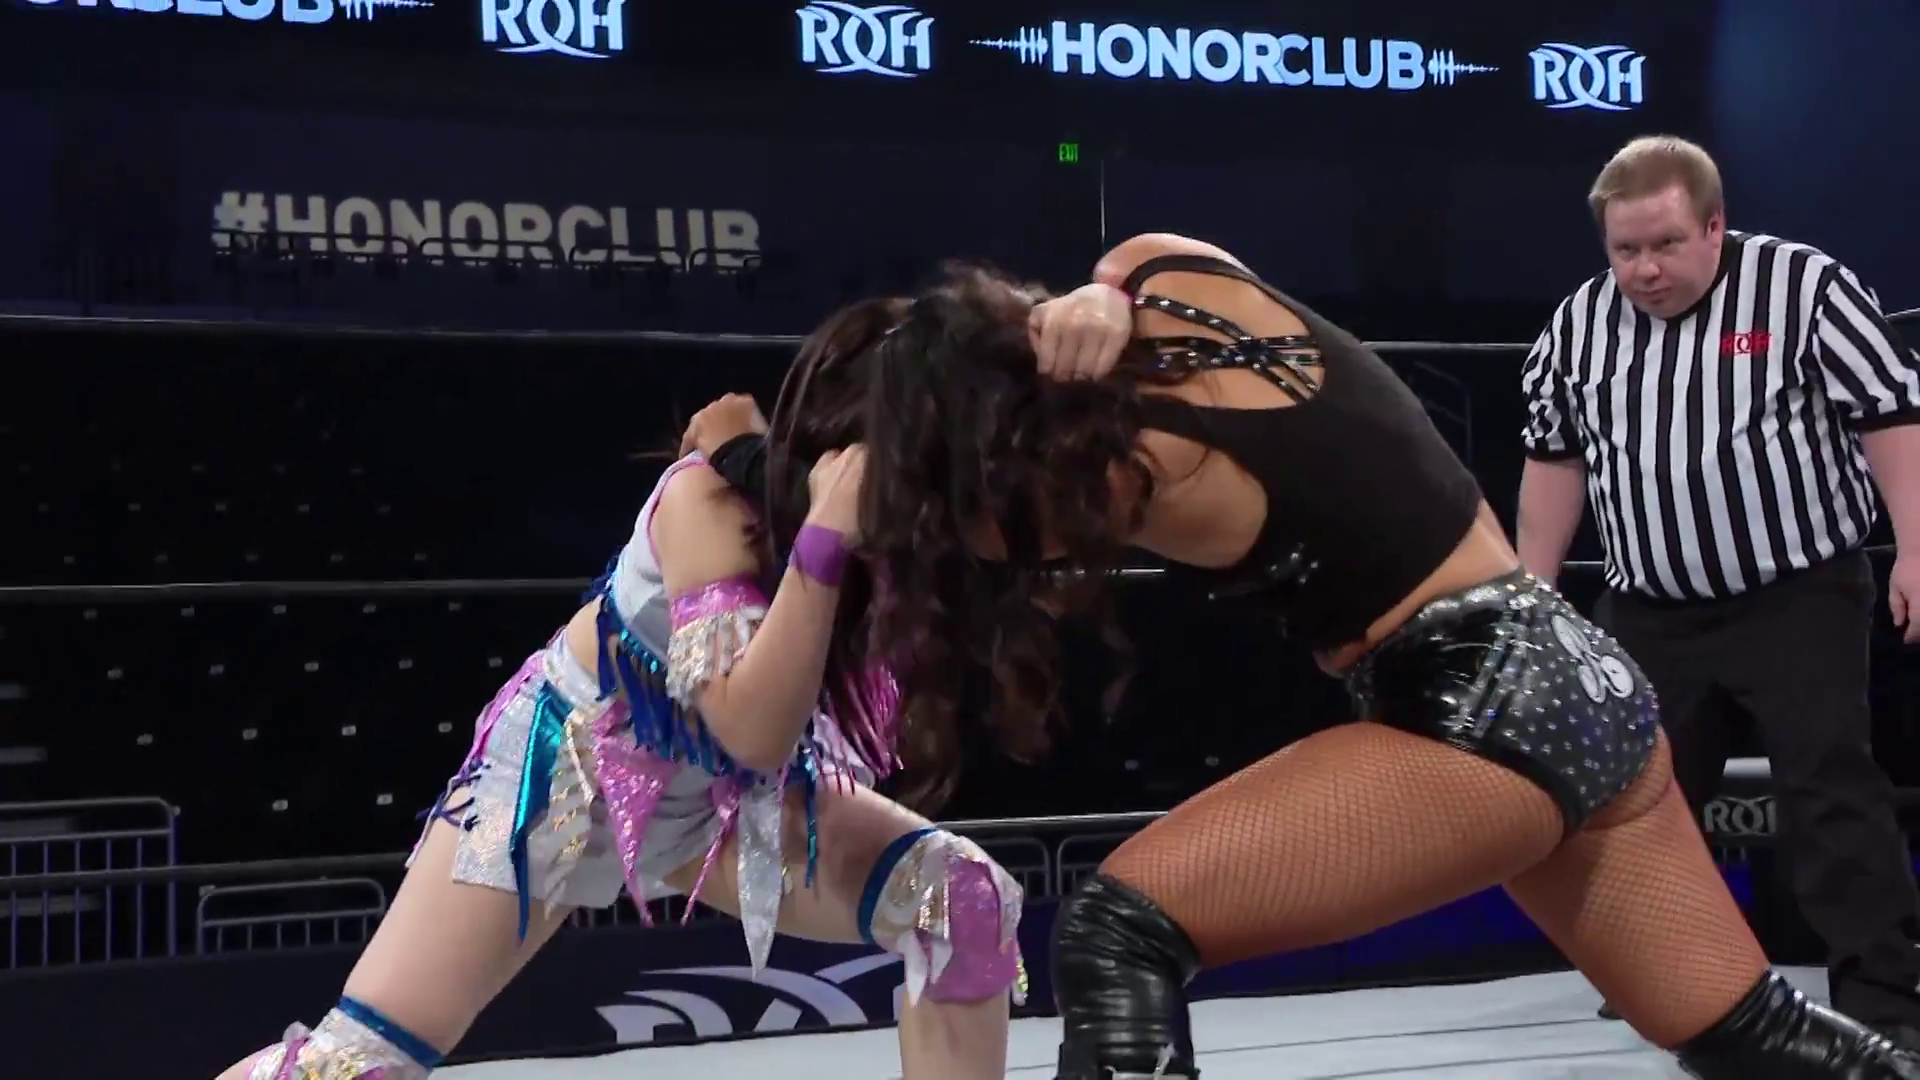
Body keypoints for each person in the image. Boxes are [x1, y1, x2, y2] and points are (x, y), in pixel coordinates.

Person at [819, 237, 1920, 1079]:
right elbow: (1138, 256)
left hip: (1482, 704)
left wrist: (821, 511)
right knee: (1748, 1031)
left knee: (1119, 930)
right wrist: (1100, 296)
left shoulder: (1126, 466)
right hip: (1581, 679)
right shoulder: (1183, 288)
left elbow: (963, 541)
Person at [216, 300, 1025, 1080]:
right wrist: (822, 542)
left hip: (720, 800)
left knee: (961, 901)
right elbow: (752, 730)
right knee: (354, 1063)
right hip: (567, 776)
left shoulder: (901, 534)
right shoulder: (709, 503)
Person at [1516, 135, 1920, 1043]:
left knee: (1831, 792)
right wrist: (1531, 595)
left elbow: (1893, 413)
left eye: (1665, 244)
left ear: (1713, 226)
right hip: (1651, 609)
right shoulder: (1578, 326)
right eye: (1626, 250)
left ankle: (1887, 1005)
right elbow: (1554, 458)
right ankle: (1661, 977)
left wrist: (1918, 550)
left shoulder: (1804, 288)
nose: (1645, 270)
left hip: (1798, 592)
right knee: (1637, 806)